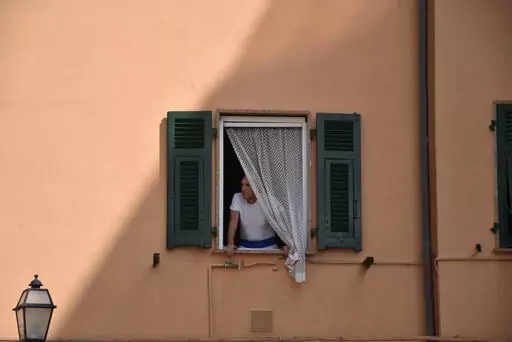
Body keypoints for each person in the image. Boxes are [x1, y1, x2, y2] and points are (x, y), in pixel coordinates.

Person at [224, 175, 282, 256]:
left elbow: (282, 221)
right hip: (245, 247)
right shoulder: (237, 198)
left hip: (269, 246)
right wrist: (230, 244)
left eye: (247, 185)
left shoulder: (268, 199)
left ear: (256, 187)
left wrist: (287, 244)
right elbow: (233, 222)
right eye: (242, 185)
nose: (243, 189)